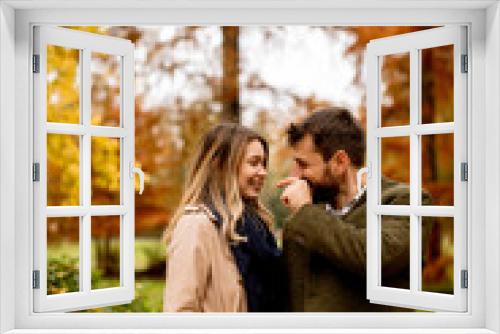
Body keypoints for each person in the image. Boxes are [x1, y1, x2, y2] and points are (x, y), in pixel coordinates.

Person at [278, 108, 430, 312]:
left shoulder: (405, 200)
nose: (295, 174)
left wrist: (305, 211)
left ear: (340, 161)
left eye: (303, 165)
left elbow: (376, 258)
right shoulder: (309, 211)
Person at [163, 123, 286, 312]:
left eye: (263, 164)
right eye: (254, 163)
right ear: (220, 166)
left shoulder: (257, 229)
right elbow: (180, 312)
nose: (263, 172)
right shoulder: (196, 225)